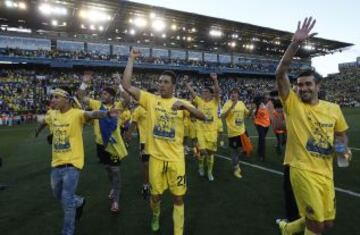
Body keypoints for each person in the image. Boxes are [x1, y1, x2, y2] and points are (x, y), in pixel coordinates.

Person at [275, 17, 350, 235]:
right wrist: (295, 44)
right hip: (302, 171)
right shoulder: (293, 104)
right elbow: (280, 73)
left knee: (327, 223)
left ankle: (287, 229)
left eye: (308, 84)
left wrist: (342, 152)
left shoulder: (333, 108)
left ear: (318, 85)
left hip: (326, 173)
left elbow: (341, 134)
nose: (303, 88)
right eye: (300, 85)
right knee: (315, 226)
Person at [122, 49, 205, 235]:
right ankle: (156, 215)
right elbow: (126, 85)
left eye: (166, 82)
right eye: (159, 82)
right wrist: (130, 59)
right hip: (156, 159)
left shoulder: (181, 103)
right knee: (156, 195)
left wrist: (185, 106)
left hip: (176, 159)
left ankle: (178, 231)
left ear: (173, 86)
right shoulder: (151, 100)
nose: (161, 85)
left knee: (178, 197)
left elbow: (203, 116)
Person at [46, 87, 121, 235]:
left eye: (56, 97)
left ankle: (68, 231)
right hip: (56, 164)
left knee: (66, 200)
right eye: (53, 97)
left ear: (66, 99)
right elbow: (45, 121)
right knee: (58, 194)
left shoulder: (76, 114)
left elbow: (91, 113)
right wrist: (39, 128)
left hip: (72, 165)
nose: (52, 100)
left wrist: (106, 113)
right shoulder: (52, 114)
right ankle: (79, 202)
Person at [77, 71, 129, 213]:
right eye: (102, 94)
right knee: (108, 169)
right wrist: (85, 82)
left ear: (112, 96)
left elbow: (127, 99)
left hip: (114, 145)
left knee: (116, 171)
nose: (102, 95)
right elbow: (81, 96)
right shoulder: (96, 104)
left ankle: (116, 201)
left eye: (105, 94)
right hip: (101, 145)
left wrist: (119, 83)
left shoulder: (118, 105)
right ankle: (113, 187)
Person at [185, 73, 220, 181]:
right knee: (202, 151)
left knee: (210, 153)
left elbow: (217, 92)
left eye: (206, 92)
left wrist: (215, 80)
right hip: (200, 131)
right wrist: (186, 84)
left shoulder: (215, 102)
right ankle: (201, 166)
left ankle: (209, 171)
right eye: (203, 92)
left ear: (210, 94)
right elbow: (193, 93)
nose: (203, 94)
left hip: (212, 132)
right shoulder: (199, 101)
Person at [221, 88, 250, 178]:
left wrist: (252, 110)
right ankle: (236, 169)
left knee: (240, 150)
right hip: (233, 133)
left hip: (242, 132)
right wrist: (231, 107)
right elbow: (223, 116)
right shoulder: (227, 103)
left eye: (235, 93)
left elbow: (247, 114)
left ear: (238, 94)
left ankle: (235, 162)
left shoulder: (241, 103)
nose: (233, 94)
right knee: (234, 152)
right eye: (232, 93)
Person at [127, 100, 150, 199]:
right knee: (146, 164)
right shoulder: (139, 109)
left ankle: (156, 183)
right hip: (144, 141)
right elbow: (134, 122)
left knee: (156, 164)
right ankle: (146, 185)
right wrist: (128, 135)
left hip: (157, 141)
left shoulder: (156, 108)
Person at [253, 95, 270, 161]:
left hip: (266, 125)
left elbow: (260, 114)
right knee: (262, 139)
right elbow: (255, 116)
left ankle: (259, 151)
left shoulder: (262, 106)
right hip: (261, 125)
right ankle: (262, 155)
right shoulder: (259, 106)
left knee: (261, 139)